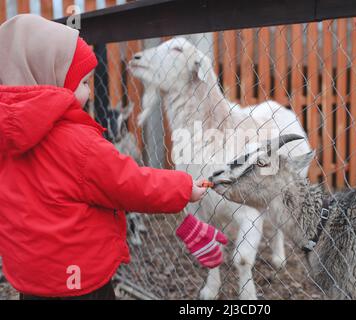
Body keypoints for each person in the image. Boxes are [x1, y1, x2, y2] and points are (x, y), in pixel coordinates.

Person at [0, 14, 227, 300]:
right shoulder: (77, 143)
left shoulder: (7, 137)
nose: (89, 90)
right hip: (80, 281)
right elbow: (130, 183)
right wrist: (183, 188)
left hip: (30, 279)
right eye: (83, 82)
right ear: (51, 80)